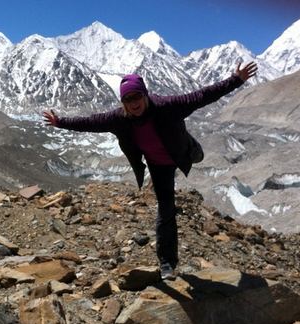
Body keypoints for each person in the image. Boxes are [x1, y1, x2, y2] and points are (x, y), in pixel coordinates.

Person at [42, 62, 258, 280]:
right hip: (159, 164)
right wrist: (59, 122)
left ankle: (192, 146)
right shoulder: (118, 118)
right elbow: (90, 122)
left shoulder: (167, 106)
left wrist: (236, 80)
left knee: (197, 155)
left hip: (181, 151)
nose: (133, 103)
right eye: (128, 99)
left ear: (145, 95)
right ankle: (167, 264)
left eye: (136, 97)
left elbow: (202, 96)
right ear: (123, 102)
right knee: (166, 211)